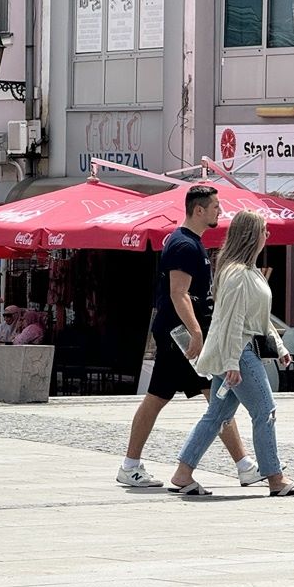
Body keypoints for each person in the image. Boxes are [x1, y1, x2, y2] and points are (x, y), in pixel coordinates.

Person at [116, 185, 260, 489]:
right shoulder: (184, 245)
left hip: (181, 336)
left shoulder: (190, 243)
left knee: (201, 398)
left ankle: (244, 465)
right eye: (215, 207)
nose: (220, 212)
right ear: (199, 210)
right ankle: (242, 465)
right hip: (180, 338)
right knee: (210, 397)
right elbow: (178, 293)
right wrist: (196, 332)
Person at [170, 209, 294, 497]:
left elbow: (260, 317)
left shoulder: (247, 272)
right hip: (239, 354)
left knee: (216, 415)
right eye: (264, 231)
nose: (267, 236)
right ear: (251, 236)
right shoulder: (238, 274)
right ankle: (276, 479)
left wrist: (281, 347)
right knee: (265, 411)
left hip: (236, 352)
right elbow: (233, 321)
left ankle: (183, 474)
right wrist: (233, 361)